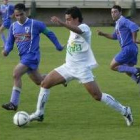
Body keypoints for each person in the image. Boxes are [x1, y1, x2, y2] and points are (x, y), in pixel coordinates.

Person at [29, 6, 133, 126]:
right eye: (66, 19)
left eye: (69, 19)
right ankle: (39, 113)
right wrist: (63, 78)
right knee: (45, 83)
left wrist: (62, 23)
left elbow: (77, 30)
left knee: (97, 96)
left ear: (76, 19)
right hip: (67, 67)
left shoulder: (84, 28)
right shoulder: (71, 30)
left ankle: (125, 111)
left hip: (82, 69)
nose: (67, 21)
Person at [1, 3, 64, 111]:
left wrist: (58, 46)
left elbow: (49, 33)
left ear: (25, 13)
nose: (19, 17)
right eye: (16, 15)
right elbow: (10, 42)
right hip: (23, 57)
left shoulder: (35, 24)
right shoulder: (13, 26)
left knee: (16, 73)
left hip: (32, 56)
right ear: (14, 15)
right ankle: (62, 78)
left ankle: (13, 103)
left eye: (21, 14)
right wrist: (6, 50)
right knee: (39, 81)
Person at [97, 5, 140, 84]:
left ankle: (136, 70)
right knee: (127, 70)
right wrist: (103, 34)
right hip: (133, 49)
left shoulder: (122, 20)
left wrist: (134, 39)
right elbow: (114, 36)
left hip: (128, 49)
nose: (113, 14)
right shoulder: (118, 24)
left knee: (113, 66)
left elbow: (134, 27)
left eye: (115, 12)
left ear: (120, 12)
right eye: (112, 12)